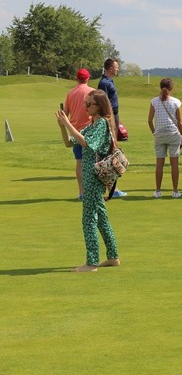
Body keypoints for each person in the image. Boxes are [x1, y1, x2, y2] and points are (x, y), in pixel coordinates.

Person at [55, 90, 120, 272]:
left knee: (89, 219)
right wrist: (62, 126)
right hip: (91, 175)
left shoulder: (101, 124)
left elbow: (87, 143)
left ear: (99, 105)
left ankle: (92, 262)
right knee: (102, 218)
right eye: (86, 103)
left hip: (93, 176)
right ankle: (113, 256)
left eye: (89, 104)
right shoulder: (91, 125)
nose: (86, 107)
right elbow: (70, 143)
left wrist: (68, 123)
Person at [148, 78, 182, 198]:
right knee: (174, 163)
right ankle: (175, 191)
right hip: (173, 134)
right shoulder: (176, 102)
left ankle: (158, 191)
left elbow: (149, 120)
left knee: (159, 163)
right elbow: (180, 122)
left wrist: (154, 131)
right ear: (171, 88)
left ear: (160, 87)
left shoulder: (154, 101)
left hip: (159, 134)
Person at [98, 58, 127, 197]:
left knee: (113, 148)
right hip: (109, 117)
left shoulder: (109, 81)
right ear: (110, 68)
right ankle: (111, 188)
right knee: (111, 150)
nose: (117, 69)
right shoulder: (104, 83)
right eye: (116, 67)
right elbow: (103, 102)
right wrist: (110, 121)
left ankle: (112, 188)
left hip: (114, 116)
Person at [63, 68, 94, 199]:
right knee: (93, 162)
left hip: (75, 131)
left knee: (80, 162)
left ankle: (82, 192)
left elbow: (65, 113)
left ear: (77, 79)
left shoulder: (70, 93)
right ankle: (93, 190)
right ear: (88, 78)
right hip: (90, 130)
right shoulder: (92, 92)